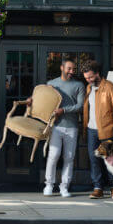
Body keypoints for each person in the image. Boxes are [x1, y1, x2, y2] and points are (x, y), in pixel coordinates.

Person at [27, 58, 85, 197]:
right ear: (62, 68)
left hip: (71, 127)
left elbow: (80, 106)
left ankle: (64, 187)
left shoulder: (79, 85)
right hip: (55, 126)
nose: (71, 71)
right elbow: (42, 100)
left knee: (69, 157)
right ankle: (49, 185)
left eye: (73, 69)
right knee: (53, 155)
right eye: (69, 68)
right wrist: (30, 101)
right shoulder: (51, 84)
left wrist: (63, 110)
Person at [82, 60, 113, 199]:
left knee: (110, 160)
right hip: (91, 130)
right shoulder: (89, 88)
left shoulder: (110, 87)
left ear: (97, 73)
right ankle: (98, 188)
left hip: (108, 130)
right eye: (86, 78)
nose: (88, 80)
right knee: (94, 159)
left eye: (90, 77)